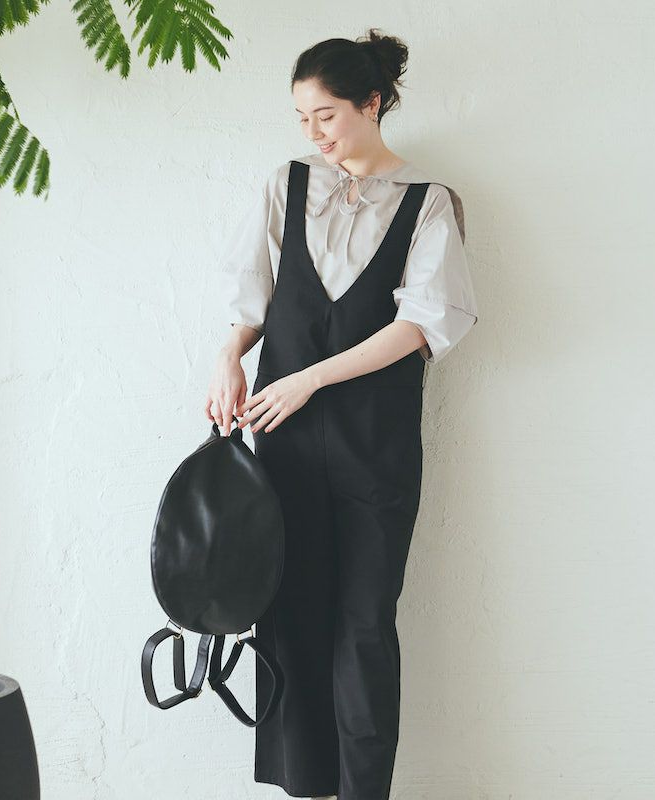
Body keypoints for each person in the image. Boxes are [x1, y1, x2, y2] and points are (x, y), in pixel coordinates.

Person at [205, 28, 478, 800]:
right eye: (301, 117)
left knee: (363, 628)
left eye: (325, 115)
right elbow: (252, 298)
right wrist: (229, 358)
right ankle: (306, 789)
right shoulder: (286, 185)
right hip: (282, 442)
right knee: (288, 617)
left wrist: (310, 380)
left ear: (372, 103)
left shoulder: (427, 203)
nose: (312, 132)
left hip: (374, 445)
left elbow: (420, 325)